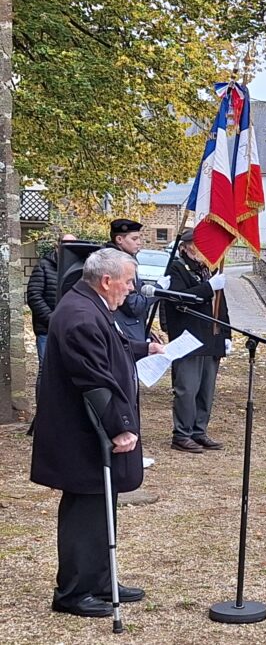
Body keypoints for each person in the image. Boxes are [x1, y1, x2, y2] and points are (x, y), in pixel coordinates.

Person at [30, 248, 164, 617]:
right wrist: (120, 428)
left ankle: (102, 579)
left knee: (102, 504)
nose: (132, 288)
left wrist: (143, 347)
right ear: (107, 281)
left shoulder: (91, 305)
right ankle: (73, 592)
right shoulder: (80, 315)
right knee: (83, 511)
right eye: (128, 280)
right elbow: (94, 379)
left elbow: (111, 348)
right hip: (81, 432)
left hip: (89, 431)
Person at [163, 230, 231, 453]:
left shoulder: (207, 270)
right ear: (185, 247)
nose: (202, 249)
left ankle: (199, 430)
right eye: (197, 245)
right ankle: (182, 433)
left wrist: (226, 335)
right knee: (187, 389)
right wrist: (208, 288)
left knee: (206, 389)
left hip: (211, 338)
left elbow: (220, 306)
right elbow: (179, 298)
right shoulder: (177, 269)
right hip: (188, 338)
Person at [27, 234, 77, 384]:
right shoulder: (44, 265)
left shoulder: (78, 268)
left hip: (70, 329)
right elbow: (34, 296)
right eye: (66, 245)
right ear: (57, 246)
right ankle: (41, 406)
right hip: (46, 329)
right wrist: (52, 319)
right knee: (45, 369)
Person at [104, 219, 155, 342]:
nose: (139, 243)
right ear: (119, 240)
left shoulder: (128, 259)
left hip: (134, 328)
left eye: (139, 239)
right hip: (124, 330)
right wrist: (158, 290)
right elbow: (133, 306)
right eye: (134, 239)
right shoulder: (116, 262)